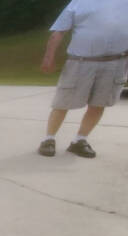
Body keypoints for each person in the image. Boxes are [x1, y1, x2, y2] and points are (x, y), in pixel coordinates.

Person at [38, 0, 128, 158]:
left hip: (115, 63)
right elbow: (59, 31)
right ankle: (48, 139)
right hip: (81, 62)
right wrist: (48, 57)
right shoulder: (79, 2)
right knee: (62, 102)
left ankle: (80, 141)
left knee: (99, 104)